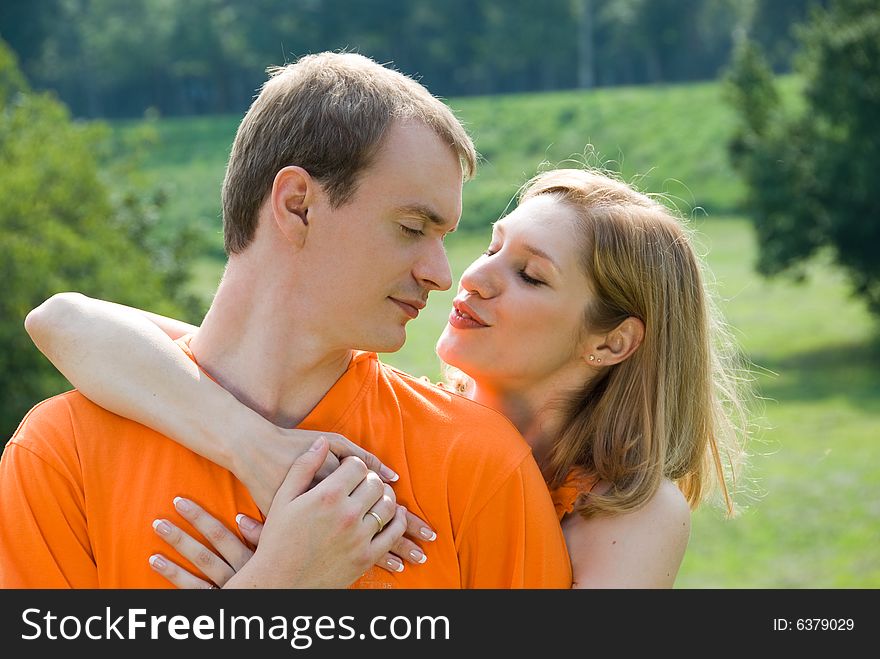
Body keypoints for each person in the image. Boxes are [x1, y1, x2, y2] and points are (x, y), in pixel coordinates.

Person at [19, 164, 753, 589]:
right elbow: (64, 323)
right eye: (492, 246)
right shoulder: (400, 426)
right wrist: (260, 453)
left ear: (612, 342)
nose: (467, 277)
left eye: (529, 275)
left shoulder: (631, 514)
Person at [0, 51, 573, 589]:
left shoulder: (476, 464)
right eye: (411, 228)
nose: (441, 274)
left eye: (442, 237)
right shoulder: (62, 456)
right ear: (297, 204)